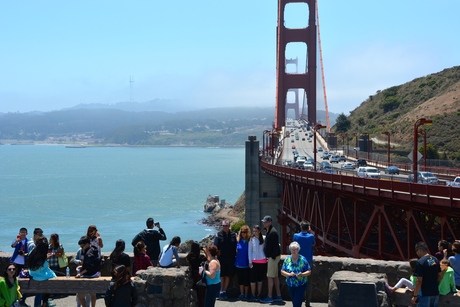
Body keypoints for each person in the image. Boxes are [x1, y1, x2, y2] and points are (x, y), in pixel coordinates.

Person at [26, 236, 57, 307]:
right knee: (53, 277)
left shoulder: (32, 252)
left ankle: (45, 302)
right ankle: (45, 303)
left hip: (33, 274)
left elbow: (33, 266)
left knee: (42, 290)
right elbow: (41, 268)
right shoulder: (42, 256)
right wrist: (46, 259)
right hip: (39, 275)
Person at [280, 241, 311, 307]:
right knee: (294, 301)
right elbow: (282, 271)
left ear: (298, 250)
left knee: (297, 302)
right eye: (292, 249)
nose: (293, 251)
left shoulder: (303, 259)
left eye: (295, 249)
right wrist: (289, 274)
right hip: (290, 284)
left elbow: (309, 271)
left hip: (301, 284)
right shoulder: (287, 259)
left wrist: (302, 274)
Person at [411, 241, 442, 306]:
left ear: (419, 250)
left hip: (424, 294)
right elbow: (440, 276)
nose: (416, 253)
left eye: (416, 251)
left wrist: (415, 296)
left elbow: (419, 281)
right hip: (435, 292)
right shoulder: (435, 259)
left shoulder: (420, 262)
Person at [260, 215, 282, 303]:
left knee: (269, 276)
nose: (264, 223)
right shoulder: (270, 231)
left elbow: (275, 247)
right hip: (274, 257)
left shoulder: (273, 232)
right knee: (275, 277)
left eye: (265, 222)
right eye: (263, 222)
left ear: (270, 222)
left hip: (273, 258)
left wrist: (270, 257)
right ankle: (278, 295)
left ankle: (269, 296)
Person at [293, 221, 316, 307]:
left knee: (298, 282)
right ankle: (308, 302)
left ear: (300, 227)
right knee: (308, 283)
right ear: (308, 228)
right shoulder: (311, 236)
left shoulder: (296, 236)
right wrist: (310, 231)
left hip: (298, 261)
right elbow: (313, 244)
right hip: (308, 261)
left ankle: (298, 302)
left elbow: (294, 245)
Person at [213, 220, 236, 300]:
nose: (224, 227)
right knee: (222, 275)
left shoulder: (233, 235)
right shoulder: (218, 235)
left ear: (229, 226)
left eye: (226, 226)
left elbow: (236, 246)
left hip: (230, 259)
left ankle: (224, 291)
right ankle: (221, 291)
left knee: (228, 275)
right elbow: (215, 247)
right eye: (223, 226)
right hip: (221, 259)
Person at [76, 236, 102, 307]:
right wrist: (82, 266)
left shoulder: (88, 253)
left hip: (89, 274)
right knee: (92, 294)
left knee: (80, 294)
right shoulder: (93, 248)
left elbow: (89, 267)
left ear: (87, 244)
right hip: (95, 273)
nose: (82, 247)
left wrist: (80, 274)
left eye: (82, 246)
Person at [247, 225, 267, 302]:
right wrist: (250, 262)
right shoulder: (251, 239)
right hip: (254, 261)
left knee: (260, 279)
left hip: (262, 260)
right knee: (252, 280)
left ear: (259, 231)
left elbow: (267, 247)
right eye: (254, 231)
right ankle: (253, 295)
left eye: (256, 231)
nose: (254, 232)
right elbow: (250, 251)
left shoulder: (264, 238)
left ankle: (259, 295)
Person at [186, 242, 206, 307]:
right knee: (202, 292)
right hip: (200, 275)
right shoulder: (201, 257)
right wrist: (204, 250)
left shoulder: (190, 256)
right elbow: (208, 258)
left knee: (196, 291)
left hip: (193, 275)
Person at [234, 225, 251, 300]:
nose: (243, 234)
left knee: (246, 280)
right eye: (242, 232)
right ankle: (242, 293)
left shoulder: (250, 241)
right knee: (240, 280)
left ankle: (246, 294)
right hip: (238, 264)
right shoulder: (238, 241)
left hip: (246, 264)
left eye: (244, 232)